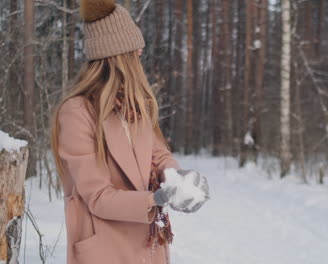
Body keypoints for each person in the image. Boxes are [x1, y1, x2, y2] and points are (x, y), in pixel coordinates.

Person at [50, 1, 209, 263]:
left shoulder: (135, 106)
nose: (140, 52)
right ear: (117, 55)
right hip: (106, 250)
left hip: (148, 247)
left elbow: (159, 156)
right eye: (135, 48)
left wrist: (179, 179)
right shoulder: (77, 112)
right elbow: (98, 197)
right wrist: (156, 198)